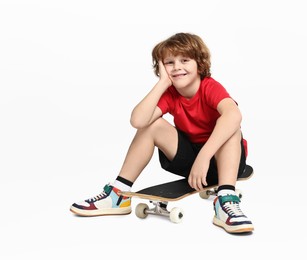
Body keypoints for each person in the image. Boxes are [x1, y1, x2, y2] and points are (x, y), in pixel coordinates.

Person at [70, 32, 254, 233]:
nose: (177, 67)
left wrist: (204, 156)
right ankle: (118, 194)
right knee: (152, 124)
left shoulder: (210, 87)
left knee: (231, 127)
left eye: (185, 60)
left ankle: (226, 200)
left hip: (225, 161)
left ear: (200, 64)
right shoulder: (170, 94)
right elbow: (138, 121)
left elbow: (234, 115)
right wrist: (162, 83)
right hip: (192, 164)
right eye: (169, 62)